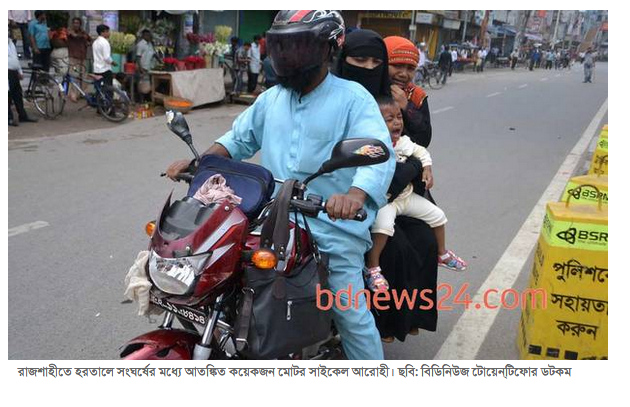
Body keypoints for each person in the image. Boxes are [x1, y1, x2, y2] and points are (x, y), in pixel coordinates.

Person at [166, 10, 395, 360]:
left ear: (328, 49)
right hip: (270, 219)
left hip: (330, 225)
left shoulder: (354, 98)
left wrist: (354, 195)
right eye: (283, 47)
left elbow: (376, 152)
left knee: (348, 311)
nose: (288, 57)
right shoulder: (271, 98)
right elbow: (237, 139)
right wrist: (199, 163)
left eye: (299, 46)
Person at [365, 96, 467, 290]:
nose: (397, 122)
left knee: (438, 216)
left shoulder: (404, 142)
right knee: (383, 227)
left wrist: (427, 168)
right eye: (389, 119)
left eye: (399, 117)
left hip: (407, 197)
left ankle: (442, 253)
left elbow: (421, 152)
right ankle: (373, 267)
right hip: (386, 202)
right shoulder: (373, 146)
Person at [384, 36, 432, 148]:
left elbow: (424, 140)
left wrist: (407, 107)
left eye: (410, 68)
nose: (404, 74)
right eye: (397, 66)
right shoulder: (367, 92)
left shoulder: (417, 96)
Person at [8, 32, 38, 126]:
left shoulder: (11, 43)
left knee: (18, 94)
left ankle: (22, 115)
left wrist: (20, 71)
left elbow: (15, 58)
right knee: (7, 95)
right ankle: (8, 118)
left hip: (14, 71)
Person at [67, 17, 91, 93]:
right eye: (74, 23)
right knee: (74, 75)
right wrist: (83, 36)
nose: (76, 25)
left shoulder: (83, 32)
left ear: (80, 24)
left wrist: (87, 43)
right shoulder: (69, 31)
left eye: (77, 23)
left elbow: (90, 40)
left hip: (83, 57)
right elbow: (75, 36)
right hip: (73, 57)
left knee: (83, 76)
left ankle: (82, 93)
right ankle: (73, 94)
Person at [92, 24, 116, 98]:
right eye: (107, 31)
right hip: (105, 69)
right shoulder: (105, 42)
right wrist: (113, 63)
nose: (109, 33)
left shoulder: (95, 42)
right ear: (103, 32)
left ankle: (98, 103)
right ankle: (108, 103)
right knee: (108, 89)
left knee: (98, 89)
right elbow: (106, 57)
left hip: (97, 69)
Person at [135, 29, 156, 101]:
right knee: (141, 84)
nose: (148, 37)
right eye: (147, 35)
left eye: (149, 35)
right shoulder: (140, 45)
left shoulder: (150, 44)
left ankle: (147, 99)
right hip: (142, 67)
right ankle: (141, 100)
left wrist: (160, 60)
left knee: (147, 84)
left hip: (149, 67)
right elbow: (138, 57)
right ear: (143, 36)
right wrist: (140, 68)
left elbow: (153, 53)